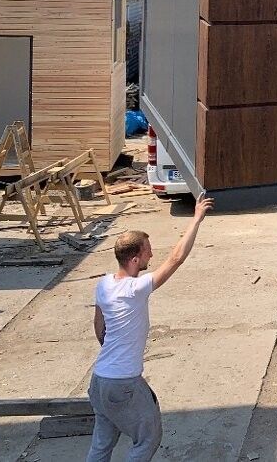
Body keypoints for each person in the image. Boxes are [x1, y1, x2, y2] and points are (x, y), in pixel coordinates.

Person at [88, 196, 214, 462]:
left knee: (102, 444)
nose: (152, 255)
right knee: (148, 438)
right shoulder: (136, 288)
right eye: (147, 251)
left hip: (99, 381)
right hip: (122, 383)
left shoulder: (103, 284)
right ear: (135, 259)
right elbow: (176, 258)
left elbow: (99, 327)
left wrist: (116, 354)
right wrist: (196, 219)